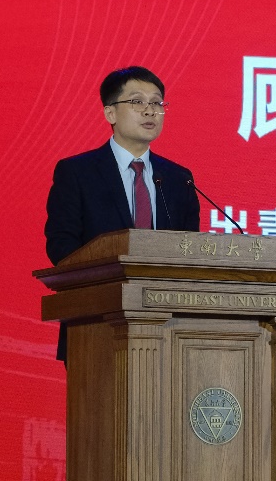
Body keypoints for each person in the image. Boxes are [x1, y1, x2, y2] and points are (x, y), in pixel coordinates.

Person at [45, 66, 202, 358]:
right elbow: (61, 247)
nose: (150, 111)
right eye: (137, 101)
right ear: (110, 113)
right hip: (95, 326)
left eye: (157, 103)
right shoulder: (77, 172)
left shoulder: (179, 178)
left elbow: (189, 251)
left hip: (170, 330)